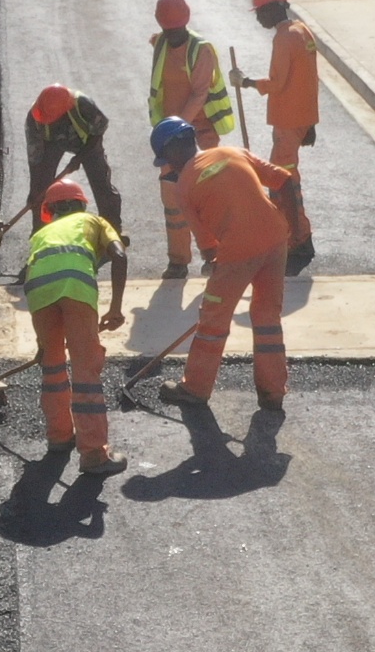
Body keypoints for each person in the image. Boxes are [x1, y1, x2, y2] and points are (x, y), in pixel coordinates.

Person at [152, 117, 301, 414]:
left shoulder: (183, 187)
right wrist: (294, 230)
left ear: (170, 152)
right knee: (267, 317)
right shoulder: (234, 152)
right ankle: (273, 393)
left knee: (212, 321)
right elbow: (285, 181)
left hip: (238, 252)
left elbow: (208, 249)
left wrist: (221, 274)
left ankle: (195, 388)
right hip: (276, 240)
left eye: (165, 160)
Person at [22, 177, 130, 476]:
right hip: (75, 287)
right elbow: (119, 255)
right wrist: (116, 308)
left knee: (53, 367)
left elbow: (38, 267)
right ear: (81, 203)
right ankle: (94, 454)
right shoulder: (93, 220)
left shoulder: (43, 233)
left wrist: (44, 344)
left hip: (37, 291)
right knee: (85, 371)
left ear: (51, 211)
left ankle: (59, 438)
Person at [145, 0, 235, 273]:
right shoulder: (161, 43)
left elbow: (199, 94)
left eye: (176, 30)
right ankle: (178, 260)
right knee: (172, 200)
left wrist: (176, 128)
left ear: (185, 24)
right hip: (171, 140)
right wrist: (169, 134)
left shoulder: (201, 50)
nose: (171, 35)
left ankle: (214, 254)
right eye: (166, 30)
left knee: (205, 197)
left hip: (201, 134)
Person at [242, 0, 321, 268]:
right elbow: (309, 79)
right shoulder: (302, 31)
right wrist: (310, 123)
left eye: (262, 11)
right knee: (285, 181)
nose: (260, 17)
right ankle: (295, 239)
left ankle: (298, 241)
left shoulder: (284, 38)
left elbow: (277, 84)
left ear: (276, 8)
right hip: (299, 119)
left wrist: (248, 82)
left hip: (288, 122)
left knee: (284, 184)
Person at [24, 84, 122, 230]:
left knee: (101, 185)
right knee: (40, 190)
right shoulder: (34, 119)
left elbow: (98, 132)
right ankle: (40, 232)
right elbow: (36, 159)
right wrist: (35, 191)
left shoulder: (83, 104)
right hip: (51, 144)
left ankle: (112, 230)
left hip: (87, 141)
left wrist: (80, 158)